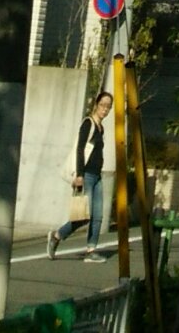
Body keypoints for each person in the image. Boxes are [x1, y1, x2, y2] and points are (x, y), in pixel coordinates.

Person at [47, 90, 112, 257]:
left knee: (98, 216)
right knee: (83, 216)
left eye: (108, 107)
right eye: (103, 105)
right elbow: (80, 149)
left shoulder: (101, 128)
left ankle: (91, 250)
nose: (105, 109)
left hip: (97, 176)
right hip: (86, 175)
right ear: (96, 105)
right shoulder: (88, 123)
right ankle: (57, 235)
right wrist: (80, 175)